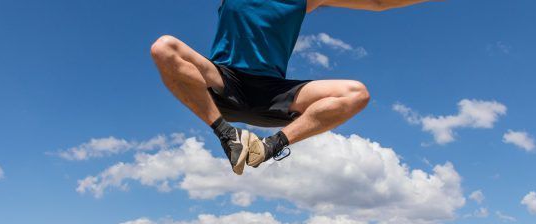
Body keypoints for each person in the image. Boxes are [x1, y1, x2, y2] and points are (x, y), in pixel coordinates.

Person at [151, 0, 434, 175]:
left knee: (356, 93)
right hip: (225, 82)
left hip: (274, 94)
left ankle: (270, 147)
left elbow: (378, 1)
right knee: (164, 48)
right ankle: (228, 135)